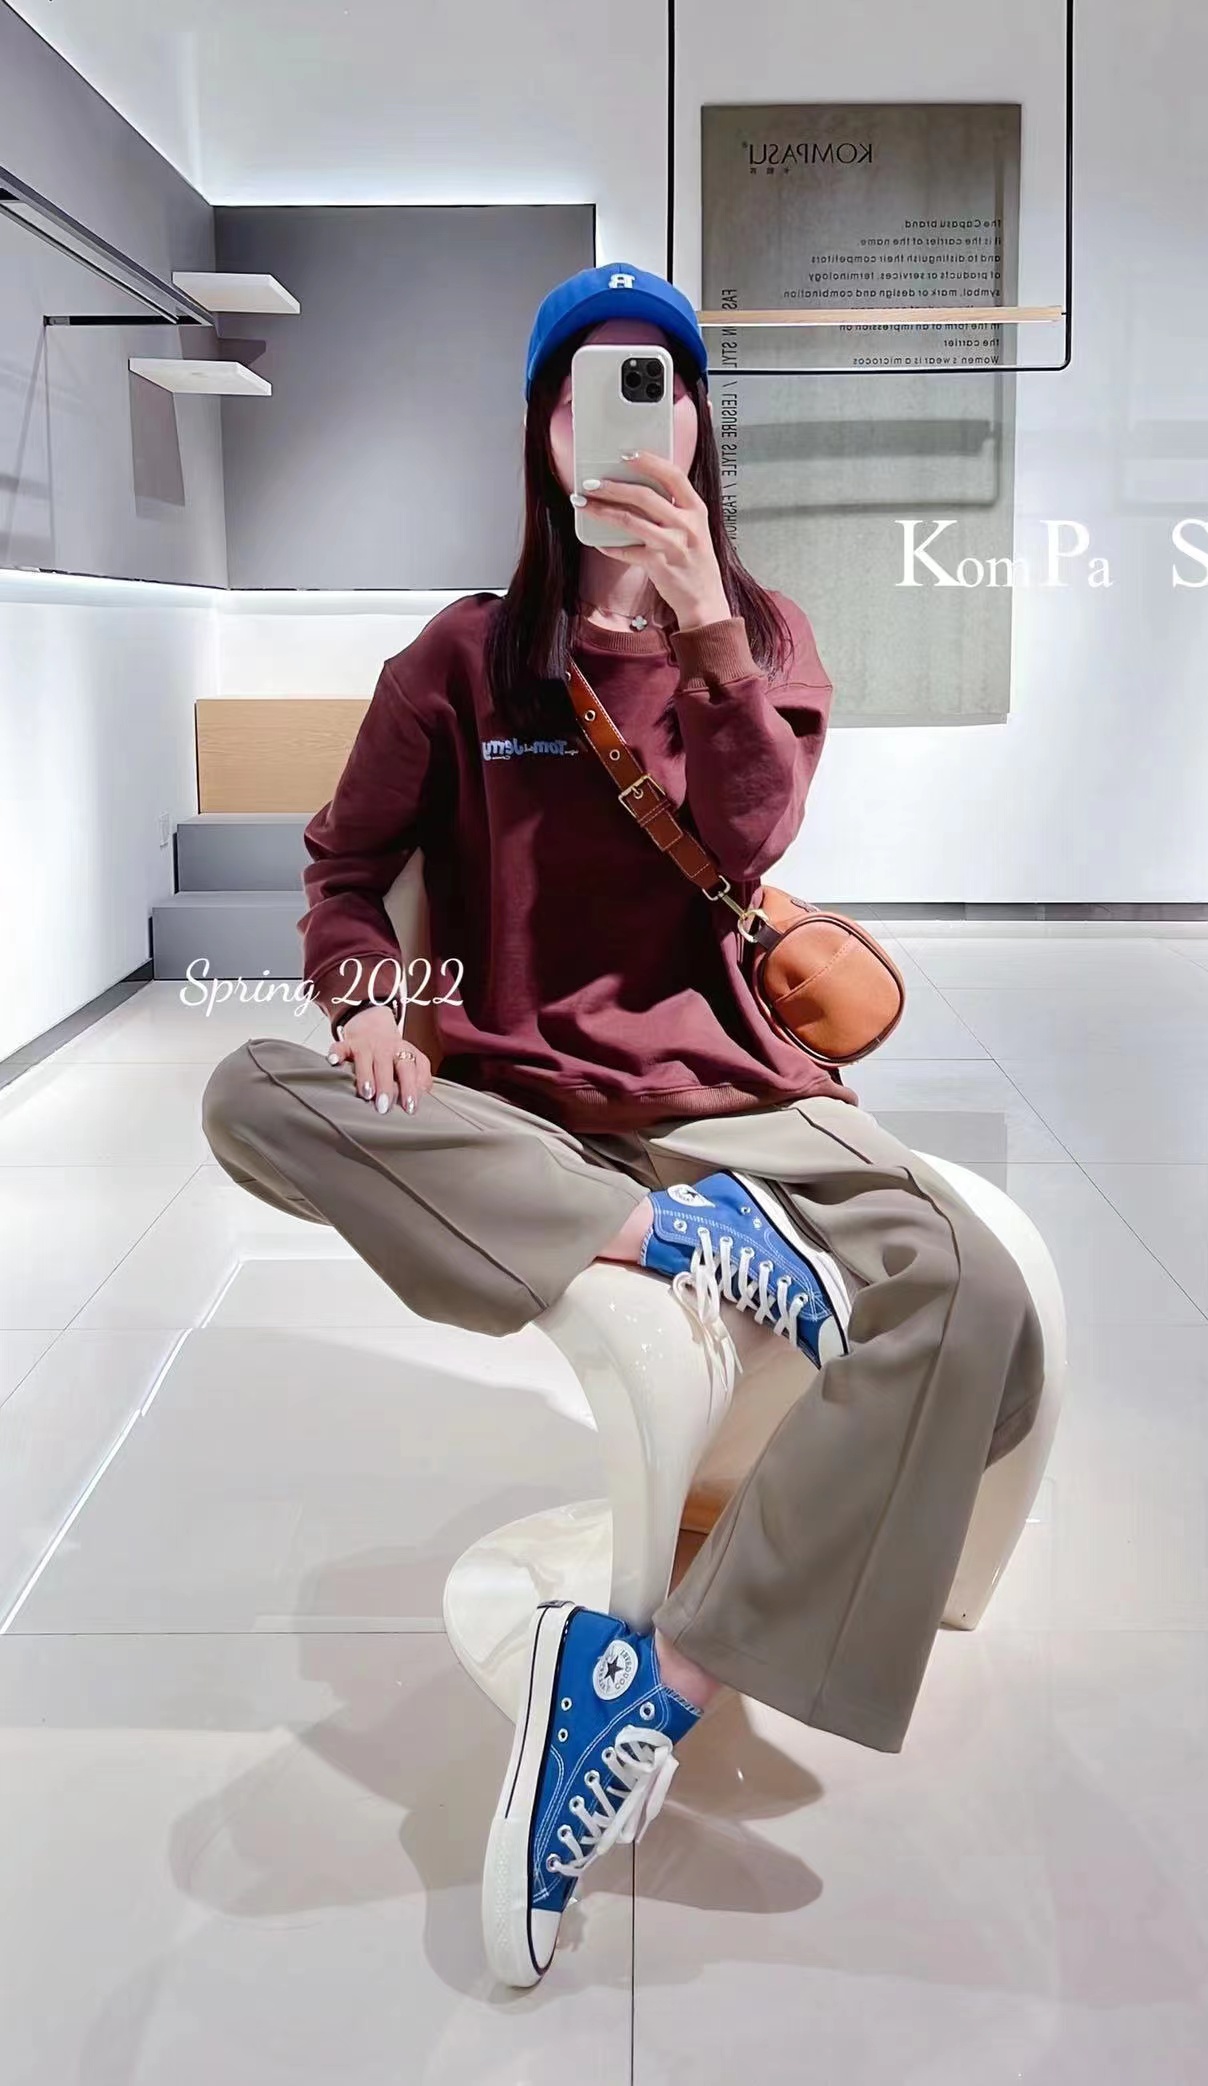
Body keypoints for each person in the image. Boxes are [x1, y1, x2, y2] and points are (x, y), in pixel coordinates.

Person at [200, 260, 1044, 1990]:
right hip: (517, 1116)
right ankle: (666, 1238)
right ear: (543, 426)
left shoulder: (767, 633)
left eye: (662, 384)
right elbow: (345, 871)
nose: (627, 420)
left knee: (976, 1292)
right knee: (242, 1092)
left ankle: (650, 1686)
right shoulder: (460, 659)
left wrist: (712, 636)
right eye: (591, 387)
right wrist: (365, 998)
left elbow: (749, 836)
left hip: (733, 1097)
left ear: (702, 423)